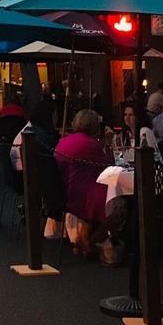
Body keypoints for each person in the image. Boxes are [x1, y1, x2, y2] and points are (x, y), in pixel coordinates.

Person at [55, 109, 117, 260]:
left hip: (63, 188)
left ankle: (86, 238)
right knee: (115, 201)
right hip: (79, 192)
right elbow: (109, 166)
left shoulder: (65, 140)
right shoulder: (90, 144)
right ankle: (90, 242)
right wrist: (108, 144)